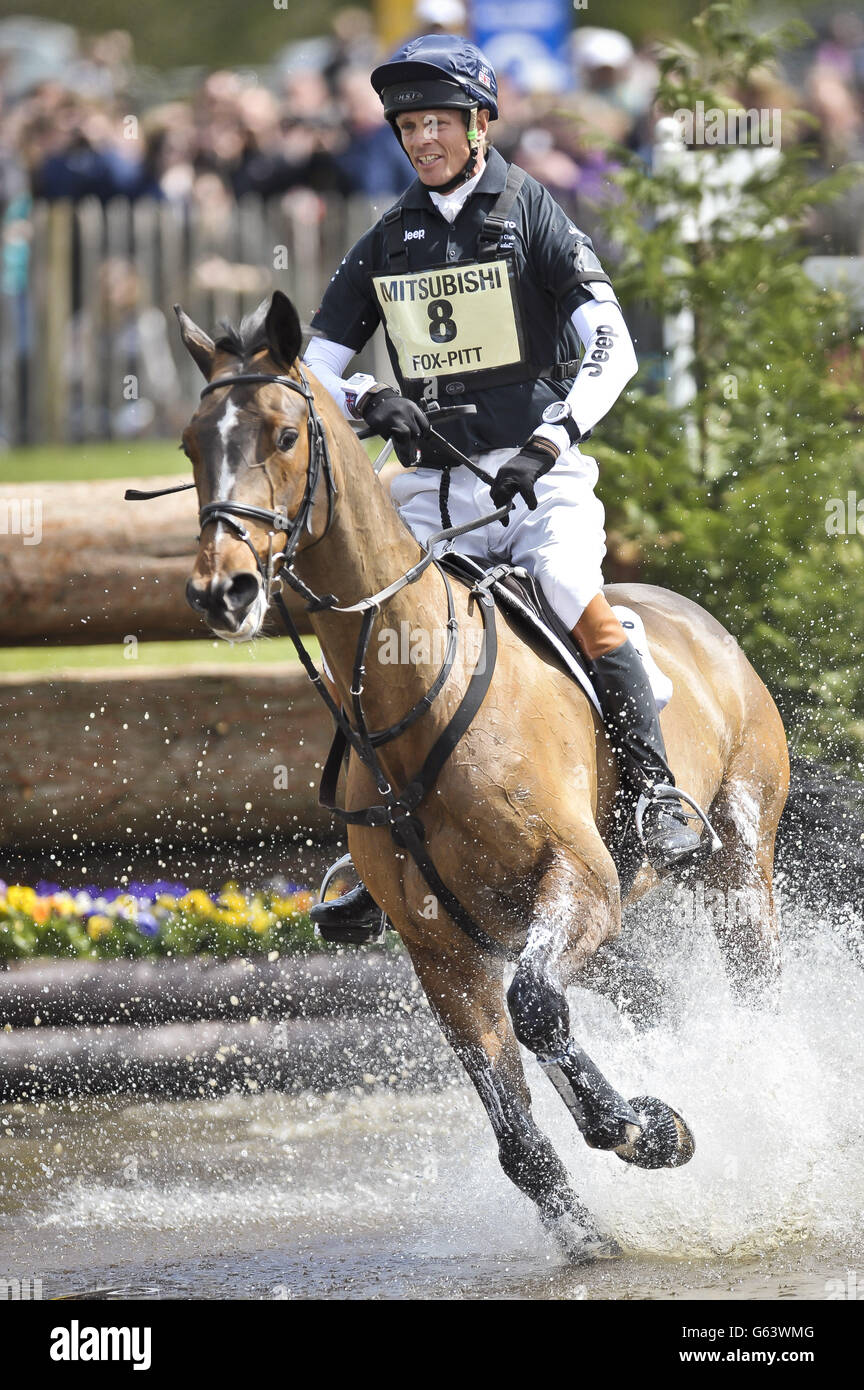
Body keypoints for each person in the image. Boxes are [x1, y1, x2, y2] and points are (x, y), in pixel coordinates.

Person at [302, 34, 704, 943]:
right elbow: (310, 369)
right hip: (434, 491)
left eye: (437, 123)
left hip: (534, 481)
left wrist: (555, 435)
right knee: (372, 629)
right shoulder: (388, 237)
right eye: (410, 127)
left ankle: (655, 792)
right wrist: (374, 399)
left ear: (481, 124)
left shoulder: (532, 213)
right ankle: (374, 846)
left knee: (571, 590)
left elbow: (616, 343)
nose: (423, 141)